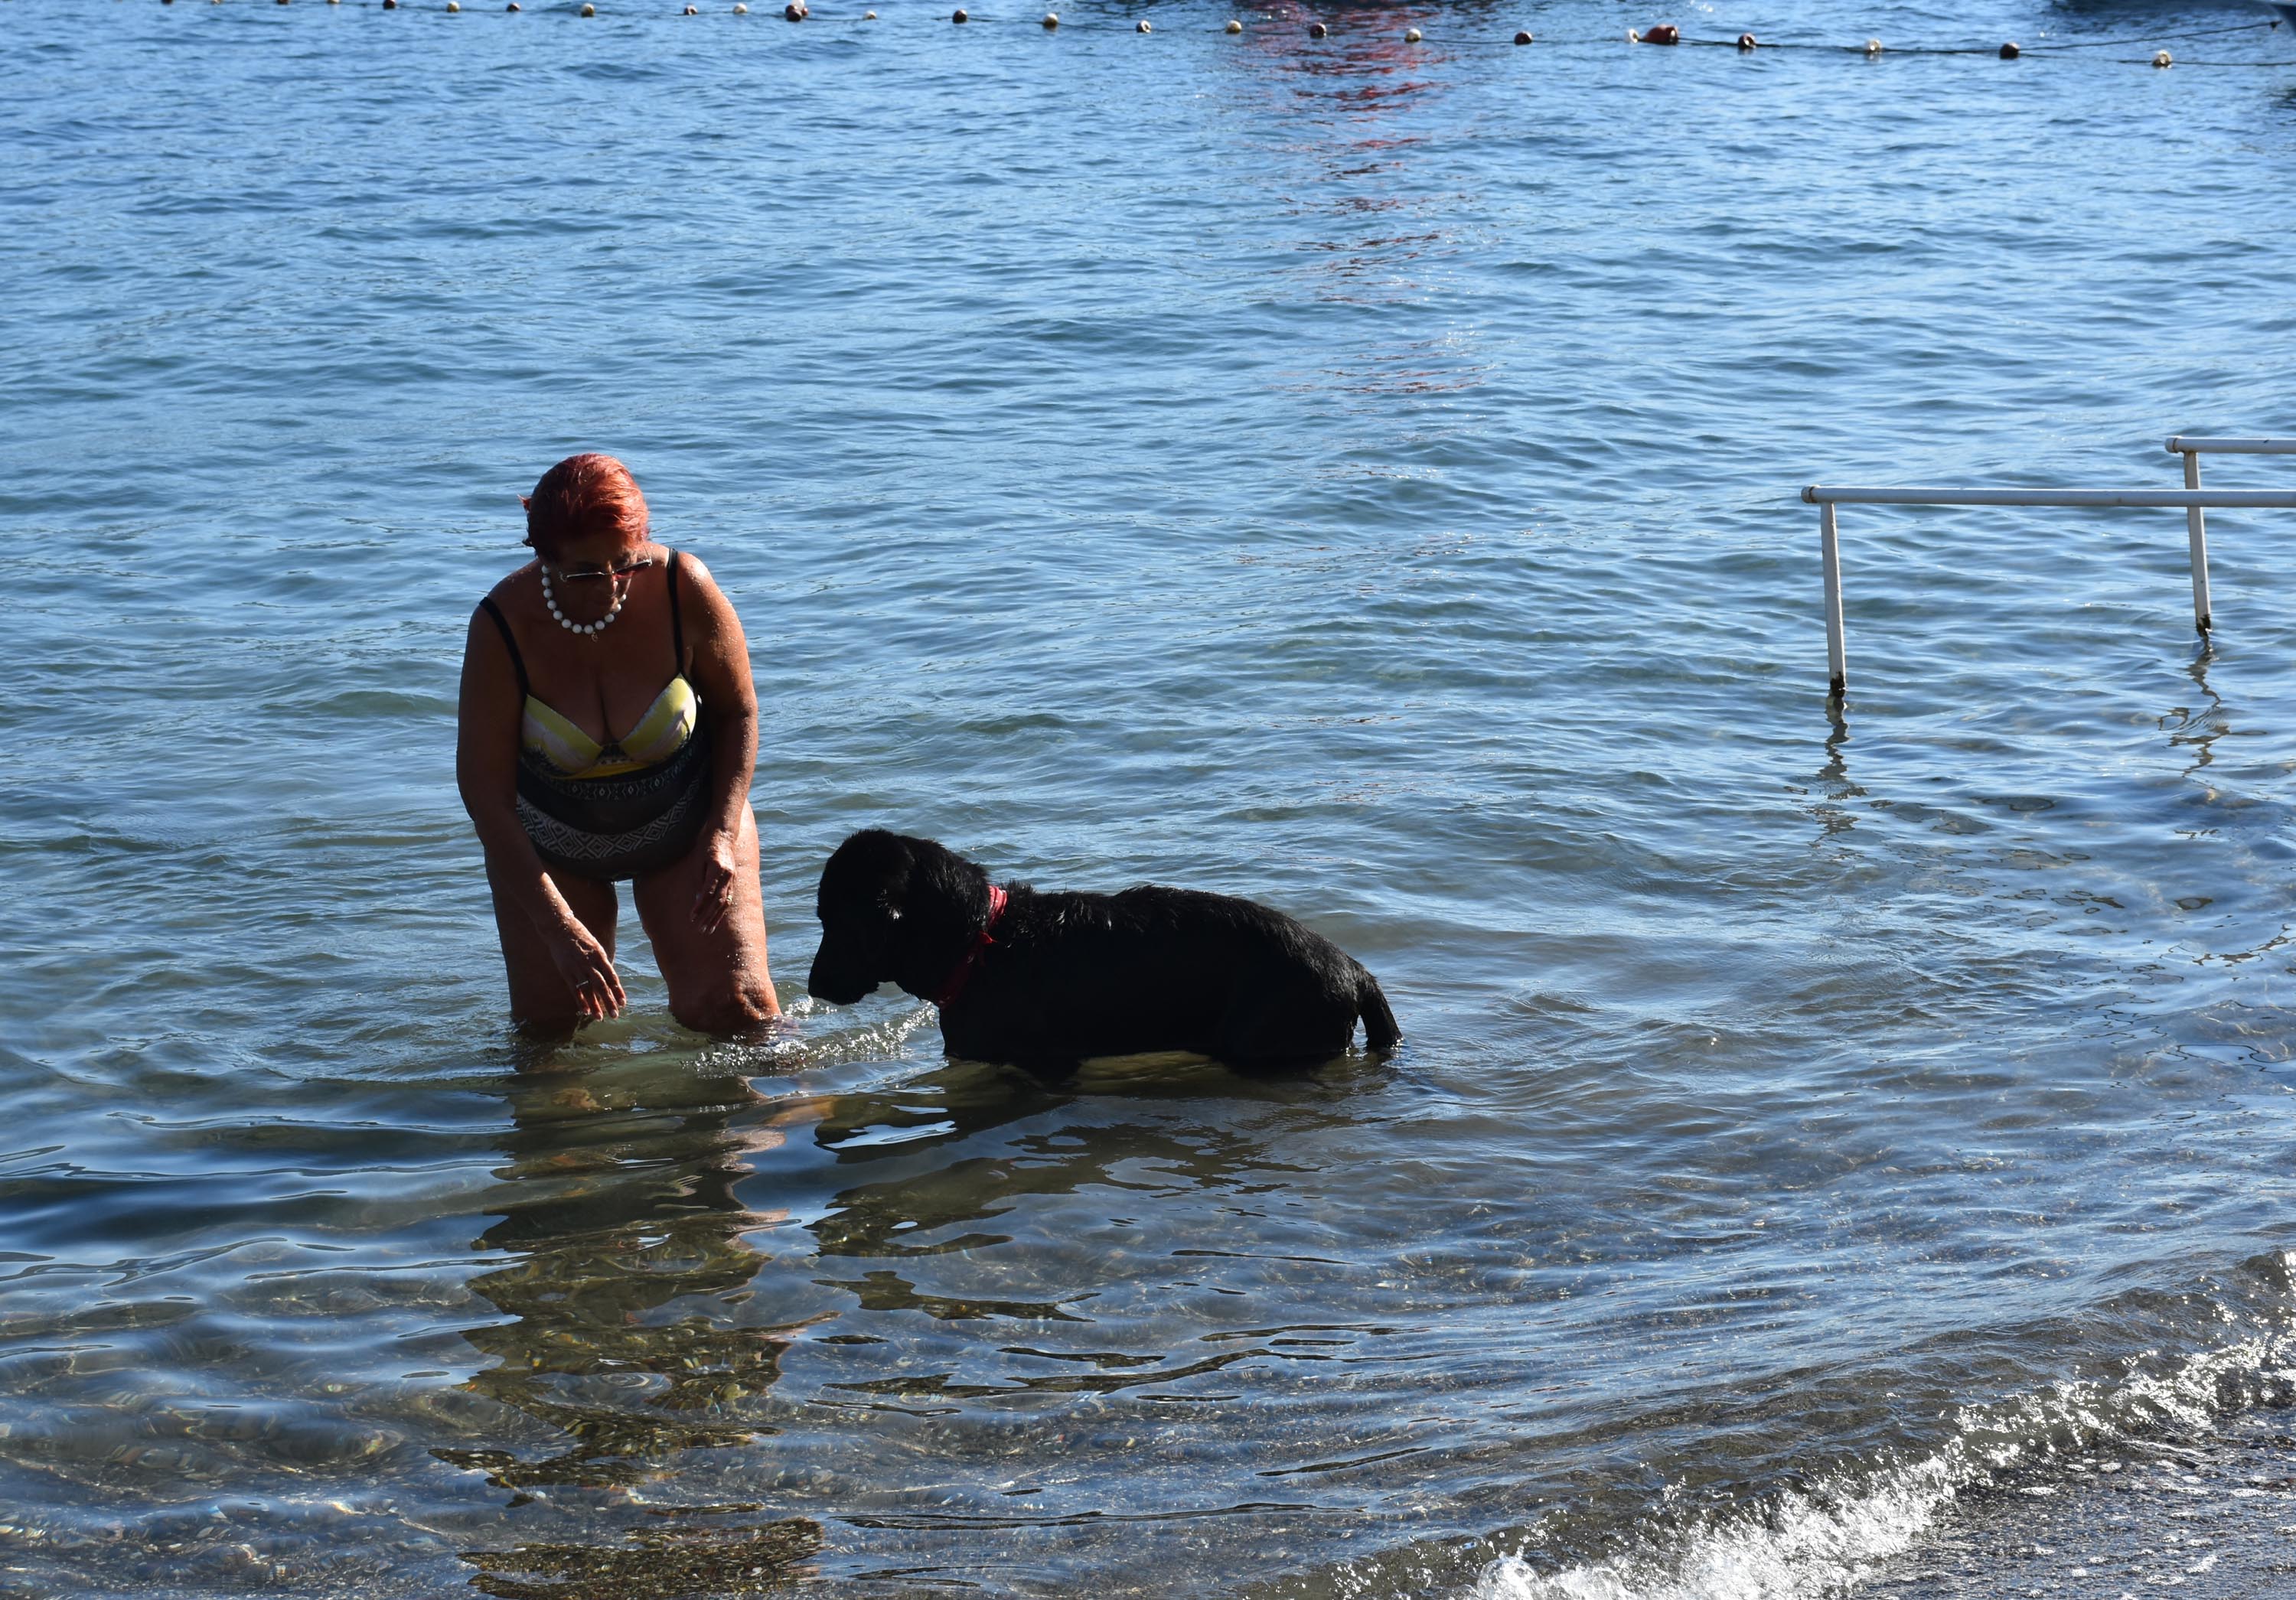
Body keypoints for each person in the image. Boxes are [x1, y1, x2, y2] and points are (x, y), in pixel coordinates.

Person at [458, 454, 779, 1034]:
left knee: (739, 1014)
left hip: (690, 827)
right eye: (584, 571)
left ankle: (797, 1114)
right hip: (553, 847)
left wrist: (723, 833)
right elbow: (484, 792)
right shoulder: (501, 626)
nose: (608, 585)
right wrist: (555, 925)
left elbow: (739, 711)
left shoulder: (684, 586)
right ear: (542, 555)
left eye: (624, 564)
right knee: (549, 1038)